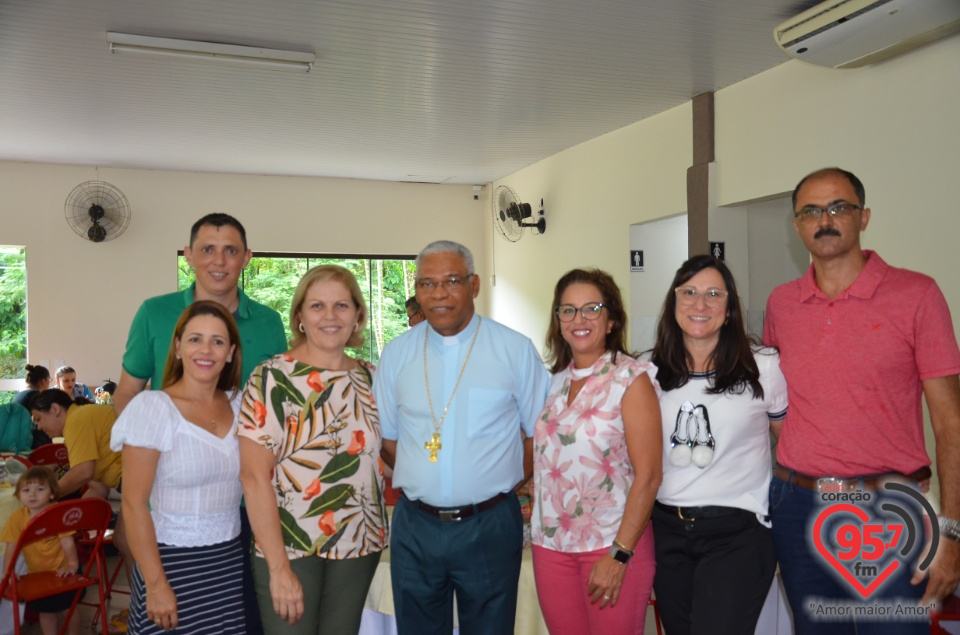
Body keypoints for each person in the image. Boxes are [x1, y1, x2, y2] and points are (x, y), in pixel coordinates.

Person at [764, 167, 960, 634]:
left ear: (863, 217)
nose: (824, 219)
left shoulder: (917, 294)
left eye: (838, 208)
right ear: (797, 226)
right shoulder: (782, 304)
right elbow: (775, 403)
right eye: (811, 211)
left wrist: (952, 534)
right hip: (798, 505)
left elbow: (950, 423)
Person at [113, 212, 286, 635]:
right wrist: (154, 456)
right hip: (169, 509)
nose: (219, 260)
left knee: (244, 619)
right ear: (189, 256)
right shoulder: (156, 313)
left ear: (247, 257)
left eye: (230, 250)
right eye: (207, 249)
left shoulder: (268, 322)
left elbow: (278, 409)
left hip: (244, 508)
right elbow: (126, 393)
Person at [373, 240, 550, 635]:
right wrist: (427, 478)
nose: (438, 293)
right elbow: (387, 438)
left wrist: (497, 483)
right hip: (415, 524)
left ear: (473, 285)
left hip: (489, 523)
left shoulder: (513, 350)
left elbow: (540, 433)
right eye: (427, 283)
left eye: (451, 281)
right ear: (417, 291)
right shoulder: (397, 354)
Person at [239, 265, 387, 634]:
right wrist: (278, 568)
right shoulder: (271, 377)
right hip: (290, 546)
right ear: (300, 316)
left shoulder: (373, 378)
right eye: (317, 306)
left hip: (359, 543)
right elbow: (254, 477)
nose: (330, 316)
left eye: (341, 305)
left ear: (357, 315)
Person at [649, 255, 787, 634]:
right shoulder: (646, 373)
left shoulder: (764, 367)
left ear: (729, 310)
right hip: (666, 531)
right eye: (689, 292)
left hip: (737, 534)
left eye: (714, 294)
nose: (700, 304)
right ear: (673, 304)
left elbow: (791, 443)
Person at [530, 269, 661, 634]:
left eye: (591, 308)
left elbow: (649, 477)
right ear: (557, 321)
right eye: (568, 310)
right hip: (551, 546)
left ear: (611, 319)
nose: (579, 319)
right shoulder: (553, 383)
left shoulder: (630, 380)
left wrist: (620, 553)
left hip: (611, 546)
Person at [111, 300, 247, 634]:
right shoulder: (153, 408)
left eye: (217, 341)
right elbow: (133, 503)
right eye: (195, 339)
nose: (206, 350)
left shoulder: (240, 403)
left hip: (227, 560)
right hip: (170, 561)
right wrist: (156, 585)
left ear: (230, 351)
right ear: (177, 347)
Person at [0, 466, 83, 635]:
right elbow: (12, 546)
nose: (32, 494)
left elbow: (67, 542)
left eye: (40, 489)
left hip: (63, 572)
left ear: (52, 493)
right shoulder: (17, 518)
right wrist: (8, 571)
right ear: (18, 495)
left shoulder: (57, 513)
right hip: (38, 575)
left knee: (69, 610)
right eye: (26, 490)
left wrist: (72, 565)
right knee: (45, 613)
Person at [29, 390, 122, 499]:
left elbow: (83, 472)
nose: (39, 427)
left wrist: (46, 497)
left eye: (38, 419)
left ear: (55, 409)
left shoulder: (76, 420)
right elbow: (98, 489)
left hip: (136, 476)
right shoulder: (79, 417)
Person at [14, 364, 54, 448]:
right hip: (25, 437)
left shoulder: (21, 394)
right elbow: (45, 415)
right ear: (43, 381)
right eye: (49, 380)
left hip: (15, 435)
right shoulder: (34, 394)